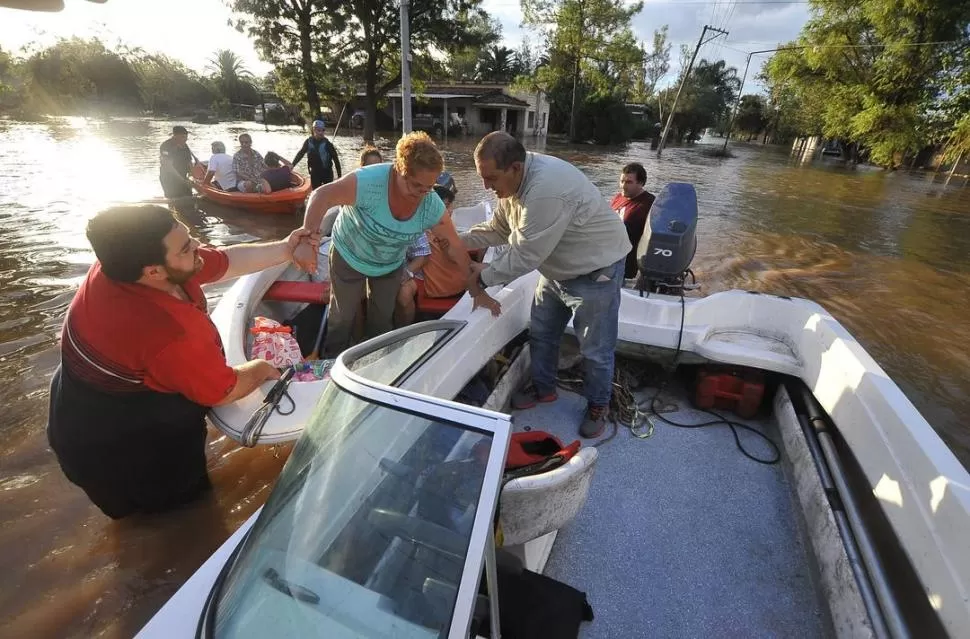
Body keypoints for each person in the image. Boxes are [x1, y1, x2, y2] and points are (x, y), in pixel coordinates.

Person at [47, 205, 318, 519]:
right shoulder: (167, 331)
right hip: (115, 442)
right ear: (154, 272)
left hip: (83, 395)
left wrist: (286, 248)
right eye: (188, 247)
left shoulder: (129, 262)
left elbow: (224, 261)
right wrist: (261, 368)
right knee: (182, 514)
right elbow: (222, 390)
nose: (198, 248)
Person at [460, 132, 631, 439]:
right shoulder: (511, 187)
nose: (487, 187)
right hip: (557, 270)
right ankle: (544, 388)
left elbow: (525, 256)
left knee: (595, 349)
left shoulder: (545, 191)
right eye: (482, 178)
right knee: (541, 333)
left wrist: (480, 279)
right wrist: (459, 239)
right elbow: (499, 229)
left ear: (515, 167)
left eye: (491, 178)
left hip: (596, 272)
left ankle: (598, 405)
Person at [291, 132, 490, 356]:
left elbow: (454, 244)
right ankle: (331, 358)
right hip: (349, 254)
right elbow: (321, 195)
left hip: (389, 263)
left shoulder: (431, 204)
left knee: (382, 318)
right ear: (399, 170)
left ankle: (374, 360)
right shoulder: (368, 182)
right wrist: (308, 240)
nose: (423, 194)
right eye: (416, 186)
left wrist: (475, 285)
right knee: (342, 315)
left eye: (429, 187)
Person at [395, 177, 472, 326]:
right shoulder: (418, 226)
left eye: (450, 206)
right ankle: (402, 332)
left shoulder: (449, 230)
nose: (450, 211)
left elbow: (460, 257)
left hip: (453, 284)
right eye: (446, 206)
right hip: (425, 280)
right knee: (403, 294)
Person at [610, 162, 656, 279]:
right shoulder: (618, 197)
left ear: (640, 183)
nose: (623, 186)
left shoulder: (649, 203)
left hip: (627, 263)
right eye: (622, 181)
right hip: (608, 255)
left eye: (629, 182)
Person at [292, 120, 343, 190]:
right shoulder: (308, 142)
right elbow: (300, 154)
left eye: (323, 130)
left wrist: (339, 176)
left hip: (327, 173)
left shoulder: (328, 144)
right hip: (315, 173)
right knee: (316, 194)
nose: (321, 132)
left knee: (328, 195)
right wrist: (292, 165)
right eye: (318, 130)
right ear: (314, 130)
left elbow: (336, 160)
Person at [158, 125, 197, 199]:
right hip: (169, 179)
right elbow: (168, 166)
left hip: (183, 177)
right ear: (175, 136)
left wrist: (192, 177)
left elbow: (189, 162)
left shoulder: (185, 146)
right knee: (175, 201)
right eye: (183, 137)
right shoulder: (166, 146)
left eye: (186, 137)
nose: (185, 139)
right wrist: (183, 181)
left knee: (189, 199)